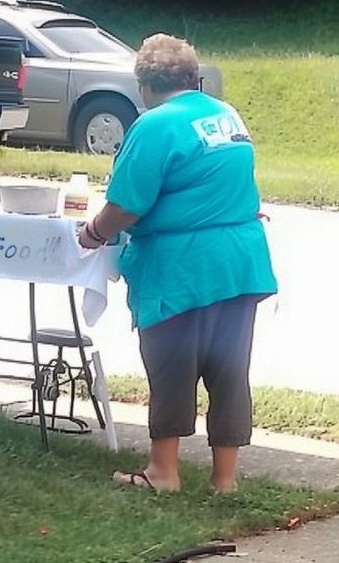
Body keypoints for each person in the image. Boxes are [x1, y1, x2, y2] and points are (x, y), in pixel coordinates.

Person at [78, 33, 277, 494]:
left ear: (145, 85)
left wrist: (92, 234)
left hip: (181, 266)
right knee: (229, 370)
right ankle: (224, 479)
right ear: (194, 78)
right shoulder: (226, 116)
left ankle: (163, 471)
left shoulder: (155, 125)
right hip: (240, 260)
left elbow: (127, 204)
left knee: (171, 366)